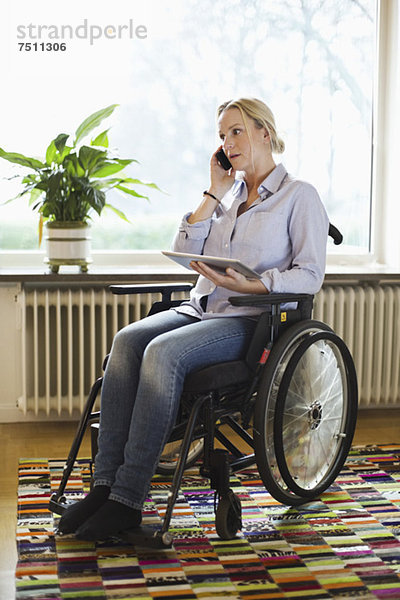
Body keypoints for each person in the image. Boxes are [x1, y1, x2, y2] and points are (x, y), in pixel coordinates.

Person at [58, 97, 329, 540]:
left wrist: (254, 285)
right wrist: (213, 192)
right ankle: (103, 487)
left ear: (265, 133)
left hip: (248, 320)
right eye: (222, 135)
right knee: (128, 340)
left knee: (163, 353)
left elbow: (310, 274)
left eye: (235, 131)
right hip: (201, 307)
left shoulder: (300, 196)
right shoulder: (230, 196)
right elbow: (188, 254)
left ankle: (127, 499)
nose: (226, 142)